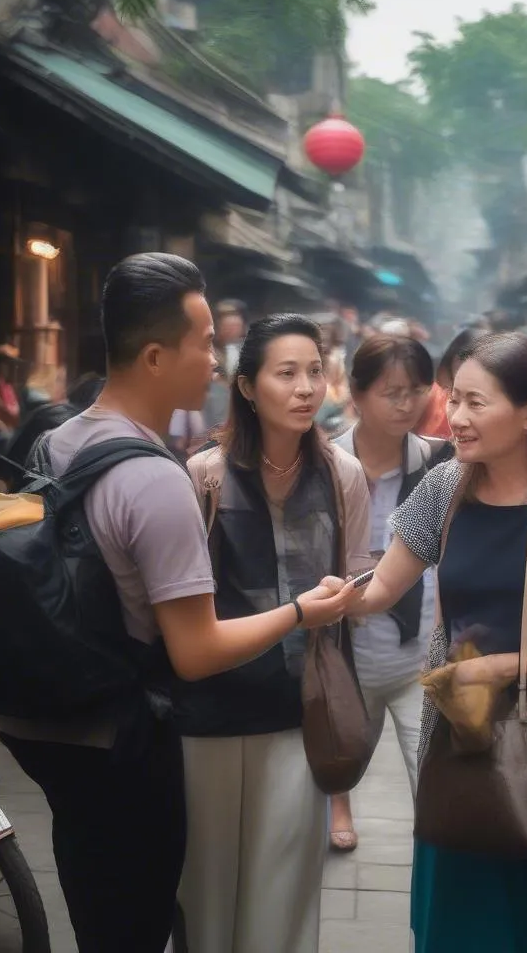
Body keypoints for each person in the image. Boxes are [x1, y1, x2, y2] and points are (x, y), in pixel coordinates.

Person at [0, 255, 354, 953]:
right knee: (138, 923)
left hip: (48, 723)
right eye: (206, 343)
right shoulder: (159, 482)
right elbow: (196, 653)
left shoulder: (56, 437)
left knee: (98, 914)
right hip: (122, 741)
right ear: (156, 355)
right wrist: (302, 613)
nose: (216, 361)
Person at [352, 331, 527, 951]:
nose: (455, 417)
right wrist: (330, 598)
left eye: (477, 404)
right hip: (464, 739)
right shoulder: (443, 487)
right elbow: (381, 588)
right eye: (455, 400)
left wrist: (502, 668)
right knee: (465, 926)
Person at [180, 313, 372, 953]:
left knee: (284, 893)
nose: (305, 388)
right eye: (285, 373)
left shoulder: (342, 475)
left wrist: (347, 596)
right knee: (206, 890)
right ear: (246, 386)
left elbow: (359, 579)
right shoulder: (203, 476)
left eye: (315, 371)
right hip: (208, 710)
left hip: (300, 710)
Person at [328, 335, 451, 852]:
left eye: (417, 390)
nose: (407, 404)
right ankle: (339, 803)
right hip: (342, 647)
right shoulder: (324, 463)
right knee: (335, 753)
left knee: (437, 787)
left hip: (418, 647)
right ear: (356, 392)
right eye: (391, 392)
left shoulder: (439, 463)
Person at [415, 326, 489, 440]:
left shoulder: (498, 403)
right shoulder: (429, 396)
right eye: (463, 360)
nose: (468, 369)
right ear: (451, 359)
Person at [214, 298, 247, 379]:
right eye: (227, 327)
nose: (232, 331)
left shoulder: (248, 351)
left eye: (235, 327)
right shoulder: (209, 352)